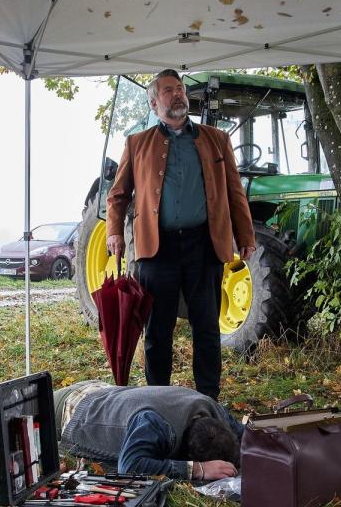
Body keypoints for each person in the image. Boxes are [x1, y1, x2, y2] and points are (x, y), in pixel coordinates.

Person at [105, 69, 256, 400]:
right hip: (157, 249)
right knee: (157, 330)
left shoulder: (216, 139)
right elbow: (117, 195)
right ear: (154, 101)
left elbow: (235, 191)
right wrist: (114, 231)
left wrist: (245, 235)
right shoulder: (137, 143)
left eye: (180, 89)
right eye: (169, 90)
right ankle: (159, 401)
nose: (177, 95)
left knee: (206, 327)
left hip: (204, 245)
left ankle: (208, 400)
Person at [0, 373, 242, 481]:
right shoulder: (154, 427)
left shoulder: (208, 407)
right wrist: (197, 470)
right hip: (72, 409)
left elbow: (242, 434)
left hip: (103, 392)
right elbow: (132, 465)